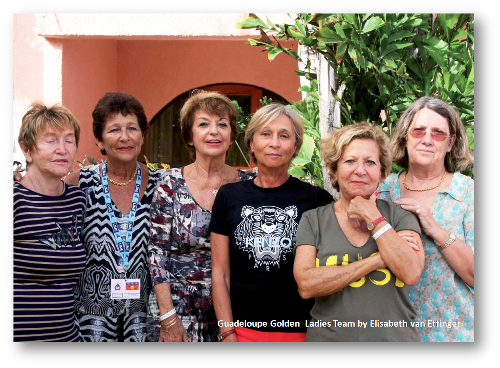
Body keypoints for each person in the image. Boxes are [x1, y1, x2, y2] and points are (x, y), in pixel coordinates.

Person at [210, 103, 334, 342]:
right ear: (251, 143)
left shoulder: (317, 200)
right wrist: (227, 333)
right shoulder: (229, 197)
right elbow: (221, 273)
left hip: (303, 333)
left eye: (284, 136)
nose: (274, 143)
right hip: (243, 333)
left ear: (296, 147)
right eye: (265, 134)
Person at [293, 122, 425, 342]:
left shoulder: (400, 217)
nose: (360, 170)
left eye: (370, 162)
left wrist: (374, 218)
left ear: (382, 172)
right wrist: (379, 260)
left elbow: (411, 272)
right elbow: (307, 285)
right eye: (350, 161)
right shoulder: (313, 219)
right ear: (334, 171)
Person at [147, 90, 254, 342]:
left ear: (232, 135)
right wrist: (168, 317)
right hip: (179, 312)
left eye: (222, 124)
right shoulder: (170, 184)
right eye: (204, 124)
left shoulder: (250, 184)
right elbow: (157, 254)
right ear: (190, 136)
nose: (214, 131)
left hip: (236, 310)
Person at [65, 91, 163, 342]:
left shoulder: (161, 185)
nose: (124, 137)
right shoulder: (78, 183)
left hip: (144, 320)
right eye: (114, 130)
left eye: (132, 128)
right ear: (99, 140)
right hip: (89, 320)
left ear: (142, 135)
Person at [377, 96, 474, 342]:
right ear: (405, 137)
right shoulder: (382, 192)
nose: (427, 139)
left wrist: (435, 229)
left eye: (438, 133)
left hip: (454, 335)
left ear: (451, 142)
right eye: (418, 130)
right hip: (390, 336)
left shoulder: (469, 193)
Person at [13, 102, 86, 341]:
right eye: (51, 140)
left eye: (69, 140)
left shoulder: (77, 200)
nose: (63, 149)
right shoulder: (15, 199)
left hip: (66, 339)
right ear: (27, 150)